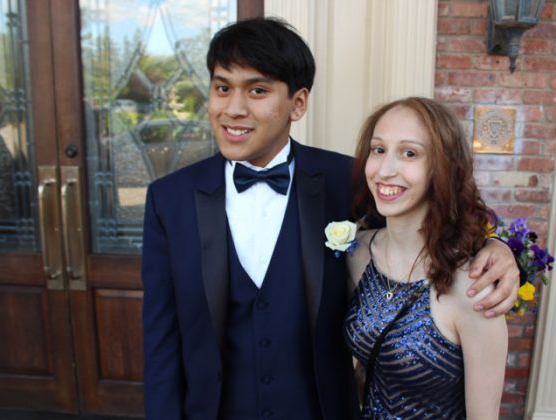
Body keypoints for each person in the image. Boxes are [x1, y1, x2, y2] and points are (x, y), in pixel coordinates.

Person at [142, 18, 517, 420]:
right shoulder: (169, 199)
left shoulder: (351, 179)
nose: (233, 109)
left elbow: (436, 216)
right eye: (222, 88)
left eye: (257, 90)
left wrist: (497, 248)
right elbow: (161, 340)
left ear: (298, 103)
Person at [344, 97, 509, 419]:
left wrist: (498, 246)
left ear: (442, 168)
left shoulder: (473, 289)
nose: (385, 170)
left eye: (409, 153)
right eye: (378, 149)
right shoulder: (355, 253)